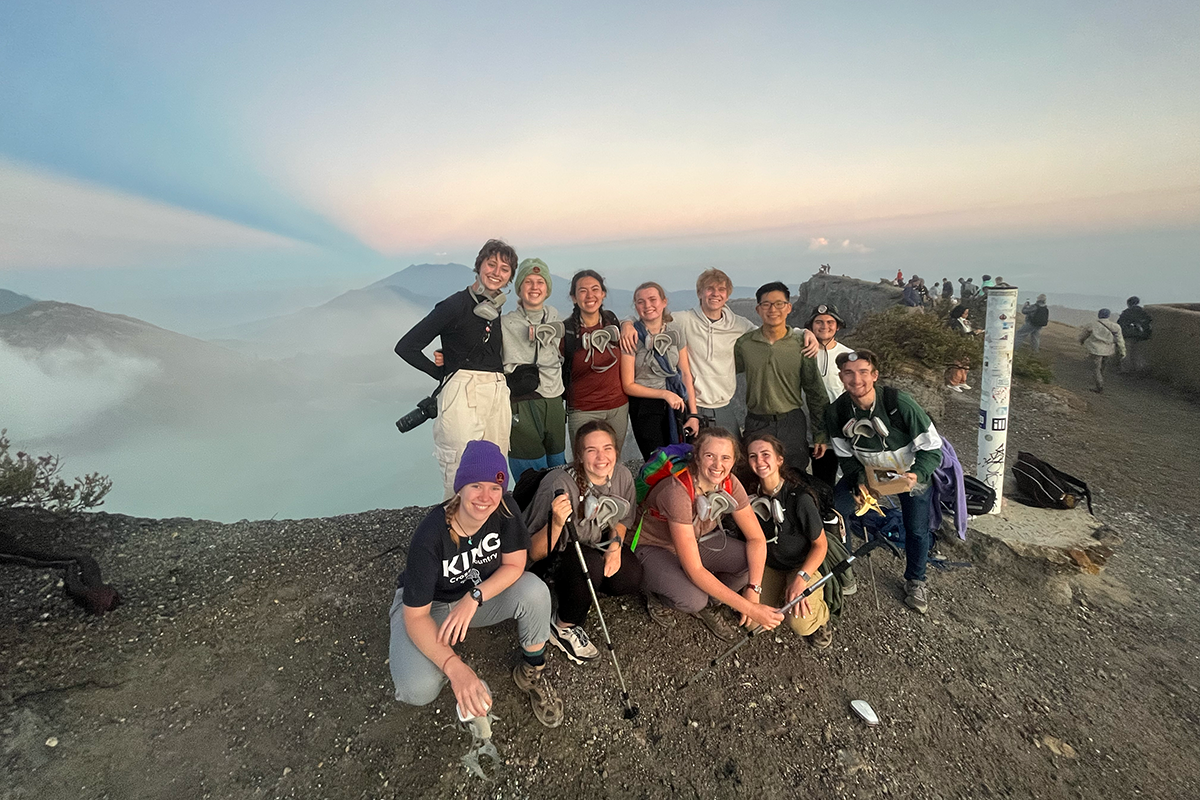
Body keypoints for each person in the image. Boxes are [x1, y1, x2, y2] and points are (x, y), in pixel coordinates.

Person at [387, 440, 564, 729]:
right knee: (417, 689)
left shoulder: (505, 509)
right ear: (460, 488)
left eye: (495, 487)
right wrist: (455, 667)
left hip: (473, 596)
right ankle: (438, 658)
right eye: (476, 486)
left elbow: (515, 564)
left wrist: (475, 596)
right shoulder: (430, 535)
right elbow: (416, 615)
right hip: (427, 607)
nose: (486, 497)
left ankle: (532, 670)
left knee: (535, 592)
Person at [623, 269, 816, 436]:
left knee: (732, 461)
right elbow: (651, 315)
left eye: (721, 289)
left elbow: (768, 332)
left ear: (728, 295)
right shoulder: (682, 320)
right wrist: (627, 323)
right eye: (710, 288)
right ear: (700, 293)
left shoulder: (739, 325)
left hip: (724, 407)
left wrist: (803, 332)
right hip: (692, 405)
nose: (715, 294)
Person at [634, 427, 785, 640]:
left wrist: (754, 588)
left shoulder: (730, 483)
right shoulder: (677, 491)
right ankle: (658, 596)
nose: (718, 465)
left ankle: (712, 602)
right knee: (693, 599)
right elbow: (695, 569)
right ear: (696, 457)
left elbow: (757, 538)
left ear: (734, 461)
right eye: (709, 456)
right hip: (653, 545)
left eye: (725, 458)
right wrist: (750, 609)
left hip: (694, 540)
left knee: (748, 563)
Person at [396, 240, 516, 499]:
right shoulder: (454, 305)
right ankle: (453, 535)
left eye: (504, 269)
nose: (496, 272)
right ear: (479, 266)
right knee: (459, 470)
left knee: (496, 468)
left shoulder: (494, 310)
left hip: (496, 392)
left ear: (509, 278)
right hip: (462, 395)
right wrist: (441, 372)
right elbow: (407, 346)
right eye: (491, 264)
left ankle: (489, 534)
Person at [826, 349, 943, 614]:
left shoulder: (899, 403)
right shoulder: (837, 411)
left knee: (915, 527)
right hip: (867, 473)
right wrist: (859, 481)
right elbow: (844, 455)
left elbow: (932, 448)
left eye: (863, 372)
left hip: (908, 471)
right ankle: (844, 571)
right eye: (849, 373)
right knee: (837, 512)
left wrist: (918, 474)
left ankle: (916, 580)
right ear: (841, 377)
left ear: (875, 375)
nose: (857, 380)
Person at [523, 421, 643, 664]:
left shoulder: (621, 475)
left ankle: (582, 587)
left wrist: (615, 546)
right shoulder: (558, 484)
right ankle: (562, 625)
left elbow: (624, 518)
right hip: (554, 552)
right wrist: (557, 522)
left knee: (630, 576)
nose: (602, 457)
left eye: (607, 448)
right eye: (591, 450)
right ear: (579, 455)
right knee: (589, 566)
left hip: (593, 544)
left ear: (616, 451)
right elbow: (532, 553)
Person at [742, 433, 834, 648]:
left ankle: (820, 616)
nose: (759, 461)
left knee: (801, 624)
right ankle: (785, 594)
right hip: (770, 565)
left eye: (766, 455)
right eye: (753, 456)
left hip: (800, 566)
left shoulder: (799, 498)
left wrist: (801, 578)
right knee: (753, 624)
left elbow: (820, 545)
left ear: (779, 460)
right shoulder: (749, 496)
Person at [735, 282, 830, 476]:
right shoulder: (744, 344)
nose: (773, 309)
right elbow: (724, 372)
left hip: (791, 421)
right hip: (757, 422)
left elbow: (814, 390)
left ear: (788, 307)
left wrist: (820, 433)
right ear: (758, 309)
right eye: (766, 304)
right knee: (756, 475)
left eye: (779, 304)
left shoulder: (801, 344)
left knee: (795, 474)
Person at [501, 258, 567, 477]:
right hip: (524, 401)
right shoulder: (506, 323)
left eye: (540, 282)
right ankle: (530, 509)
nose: (534, 287)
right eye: (528, 282)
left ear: (547, 288)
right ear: (519, 289)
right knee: (529, 470)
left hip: (554, 398)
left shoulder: (554, 317)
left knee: (558, 464)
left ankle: (558, 509)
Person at [620, 282, 700, 458]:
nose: (647, 306)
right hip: (645, 406)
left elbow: (686, 373)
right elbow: (628, 384)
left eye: (652, 299)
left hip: (677, 401)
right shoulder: (631, 336)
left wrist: (693, 414)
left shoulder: (675, 331)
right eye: (641, 302)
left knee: (681, 459)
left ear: (664, 302)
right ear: (636, 306)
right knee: (656, 462)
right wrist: (664, 394)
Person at [561, 270, 629, 452]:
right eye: (583, 291)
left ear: (603, 294)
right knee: (584, 465)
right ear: (574, 298)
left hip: (618, 408)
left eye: (595, 289)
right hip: (583, 410)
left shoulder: (612, 322)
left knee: (612, 460)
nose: (590, 295)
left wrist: (628, 323)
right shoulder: (567, 332)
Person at [804, 303, 853, 489]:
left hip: (833, 432)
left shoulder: (848, 355)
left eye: (830, 322)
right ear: (811, 326)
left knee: (825, 481)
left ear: (838, 326)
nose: (825, 326)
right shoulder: (801, 351)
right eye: (819, 322)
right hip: (801, 428)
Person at [1078, 309, 1126, 393]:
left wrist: (1081, 341)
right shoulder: (1115, 326)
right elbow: (1120, 340)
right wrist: (1122, 351)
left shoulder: (1092, 325)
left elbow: (1083, 336)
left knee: (1096, 368)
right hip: (1108, 350)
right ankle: (1100, 381)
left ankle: (1099, 385)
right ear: (1108, 315)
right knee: (1103, 367)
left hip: (1095, 349)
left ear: (1099, 315)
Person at [1117, 296, 1153, 375]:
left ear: (1129, 303)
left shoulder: (1127, 312)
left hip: (1129, 335)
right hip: (1142, 336)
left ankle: (1126, 370)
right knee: (1137, 353)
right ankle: (1140, 369)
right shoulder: (1143, 312)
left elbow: (1120, 323)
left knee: (1126, 352)